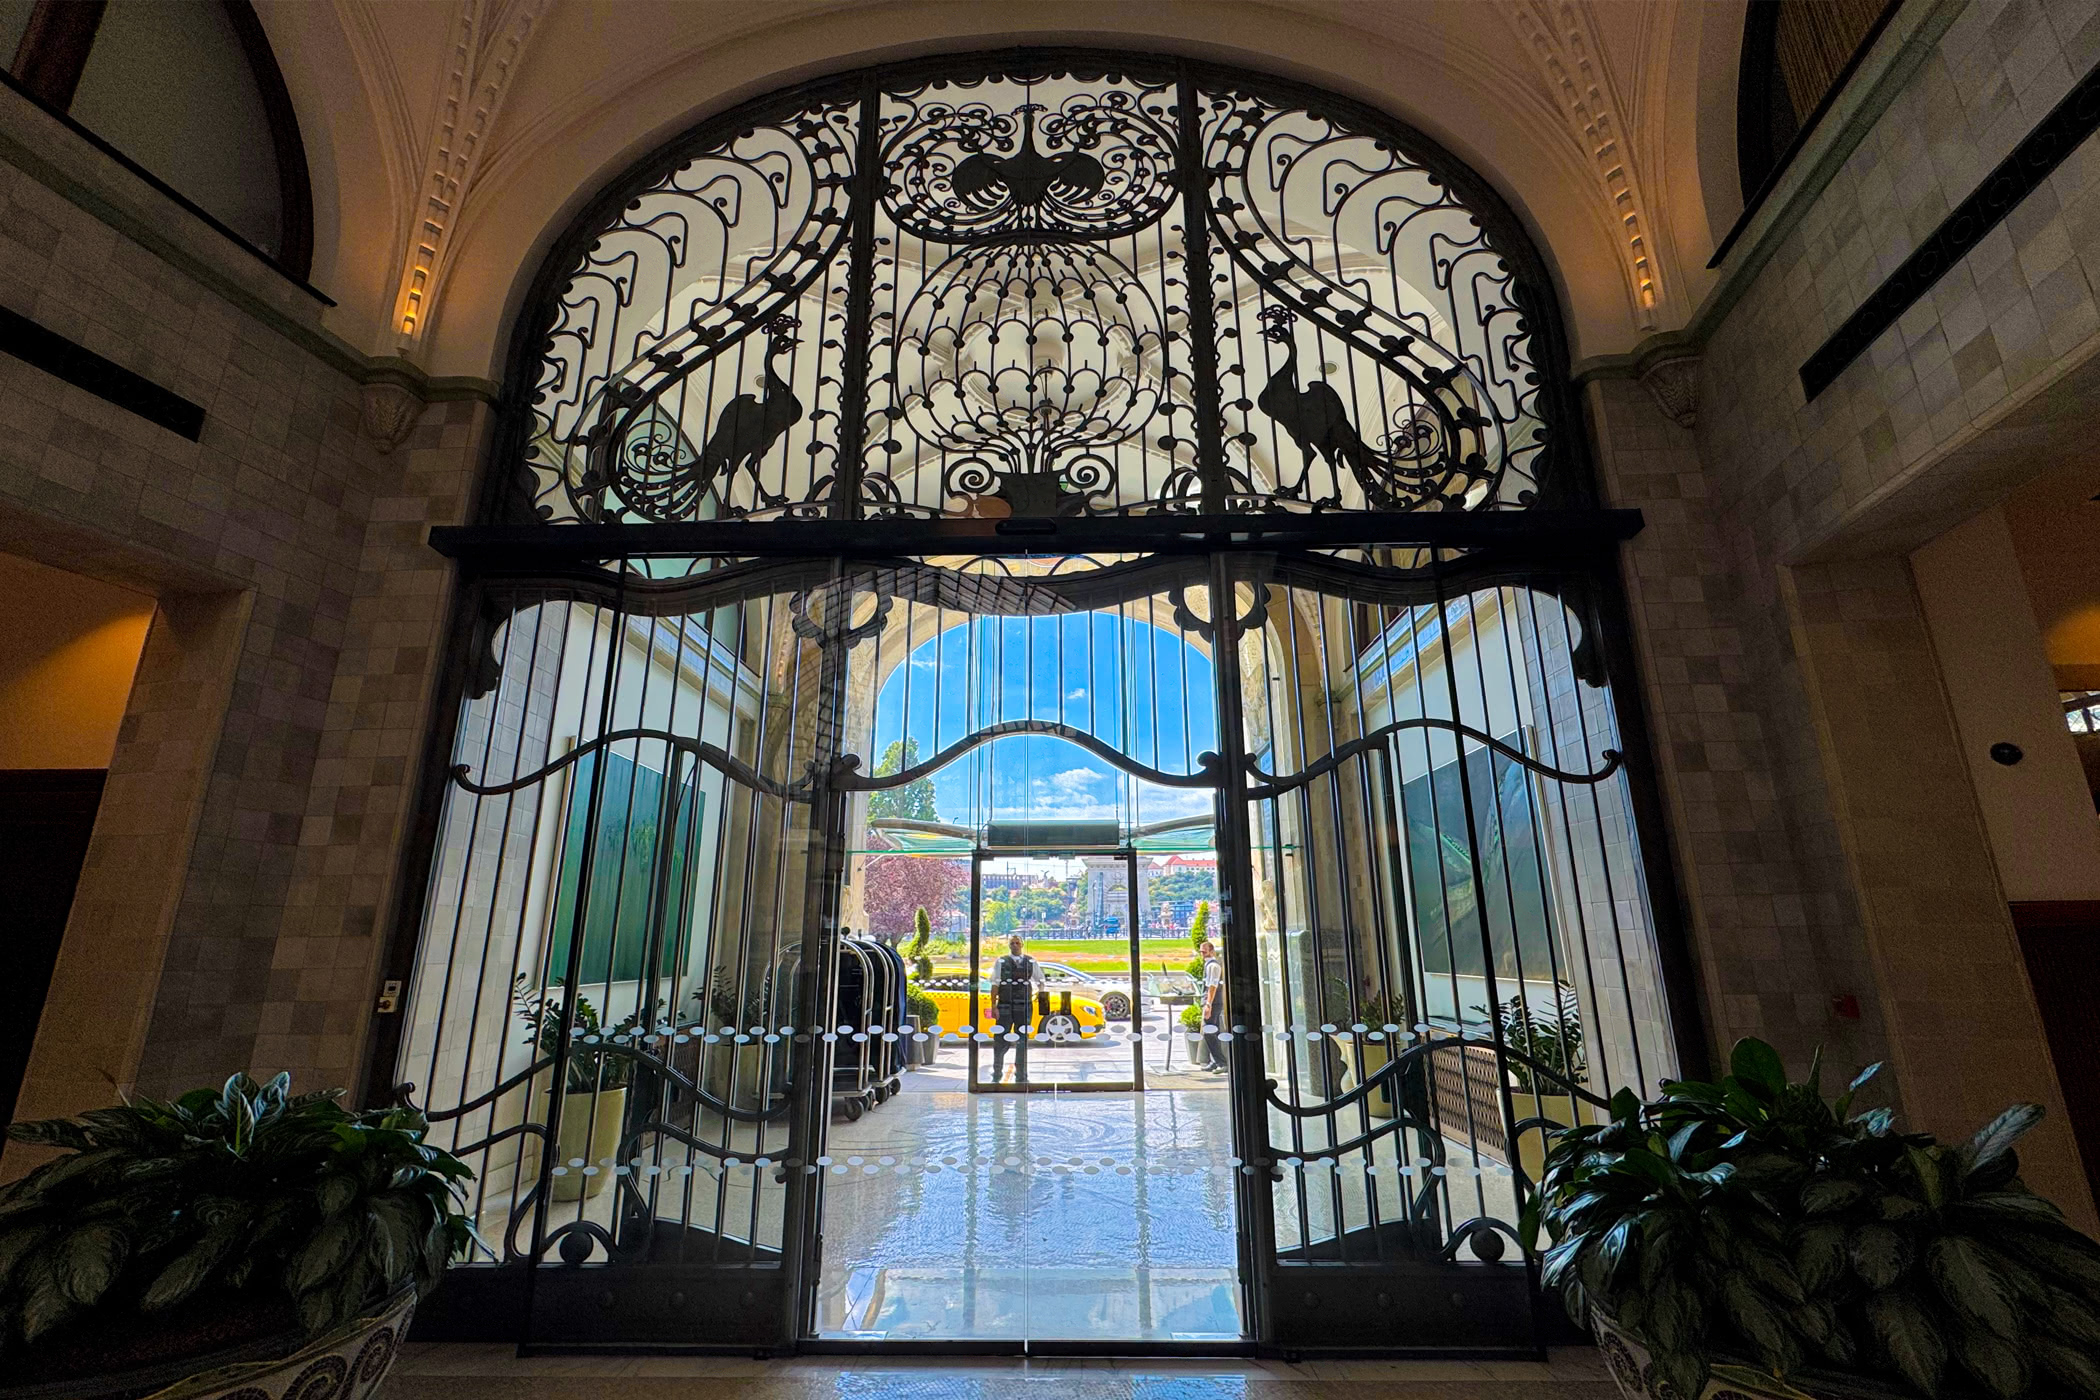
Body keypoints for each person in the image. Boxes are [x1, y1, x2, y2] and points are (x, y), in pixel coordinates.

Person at [990, 932, 1040, 1084]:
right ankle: (997, 1073)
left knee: (1022, 1041)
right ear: (1009, 945)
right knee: (1000, 1040)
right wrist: (993, 1006)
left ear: (1022, 945)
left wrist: (1040, 994)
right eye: (1012, 943)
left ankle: (1021, 1076)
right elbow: (995, 984)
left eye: (1017, 943)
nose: (1015, 945)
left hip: (1024, 1005)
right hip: (1005, 1005)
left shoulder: (1031, 962)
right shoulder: (1001, 962)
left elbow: (1040, 979)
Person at [1199, 938, 1226, 1075]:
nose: (1202, 955)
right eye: (1201, 952)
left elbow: (1212, 986)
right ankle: (1215, 1061)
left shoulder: (1213, 966)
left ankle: (1221, 1062)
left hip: (1213, 1003)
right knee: (1211, 1031)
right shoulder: (1209, 965)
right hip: (1210, 1002)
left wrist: (1208, 1004)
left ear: (1211, 951)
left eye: (1204, 952)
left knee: (1209, 1031)